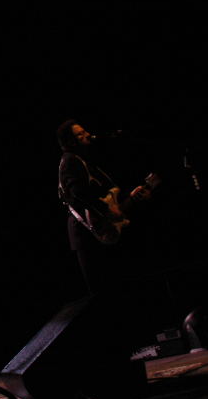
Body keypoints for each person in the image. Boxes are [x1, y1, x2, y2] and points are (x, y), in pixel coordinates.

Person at [56, 119, 154, 296]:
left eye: (85, 131)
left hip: (99, 230)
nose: (87, 135)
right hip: (88, 234)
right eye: (80, 134)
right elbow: (77, 195)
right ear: (71, 142)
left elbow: (103, 195)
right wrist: (106, 209)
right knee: (103, 291)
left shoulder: (83, 160)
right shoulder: (70, 161)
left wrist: (131, 197)